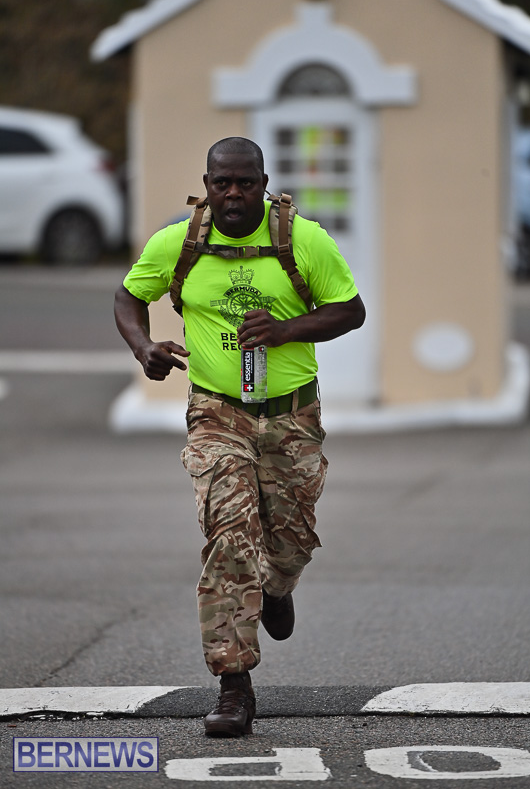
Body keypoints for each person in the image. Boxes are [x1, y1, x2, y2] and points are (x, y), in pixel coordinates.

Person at [114, 137, 366, 737]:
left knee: (291, 538)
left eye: (244, 182)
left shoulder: (302, 240)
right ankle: (233, 685)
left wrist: (285, 330)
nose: (232, 193)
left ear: (262, 181)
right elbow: (129, 296)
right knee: (229, 537)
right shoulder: (178, 242)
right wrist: (144, 346)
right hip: (216, 413)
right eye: (221, 182)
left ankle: (277, 585)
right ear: (206, 183)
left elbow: (349, 311)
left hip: (291, 415)